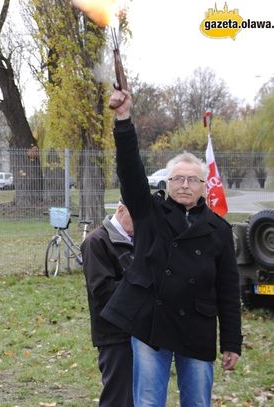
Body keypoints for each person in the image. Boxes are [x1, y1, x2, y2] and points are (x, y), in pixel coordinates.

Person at [101, 90, 242, 407]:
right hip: (153, 321)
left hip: (198, 327)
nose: (185, 185)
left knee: (197, 402)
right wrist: (124, 121)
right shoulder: (149, 211)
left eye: (193, 180)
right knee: (149, 401)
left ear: (204, 186)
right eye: (178, 178)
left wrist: (232, 341)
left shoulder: (219, 230)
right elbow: (130, 171)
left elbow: (228, 290)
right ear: (166, 182)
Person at [81, 200, 134, 407]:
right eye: (136, 217)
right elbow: (102, 291)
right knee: (118, 398)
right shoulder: (96, 241)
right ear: (121, 209)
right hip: (113, 334)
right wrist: (141, 283)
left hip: (139, 331)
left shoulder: (139, 238)